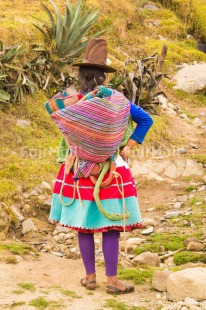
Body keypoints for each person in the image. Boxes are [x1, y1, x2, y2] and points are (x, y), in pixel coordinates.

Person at [48, 38, 153, 294]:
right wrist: (129, 145)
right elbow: (146, 120)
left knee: (84, 225)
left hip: (79, 170)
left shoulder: (74, 104)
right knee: (111, 227)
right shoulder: (118, 101)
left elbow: (54, 112)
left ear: (82, 74)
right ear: (104, 76)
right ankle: (113, 281)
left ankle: (90, 278)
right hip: (110, 170)